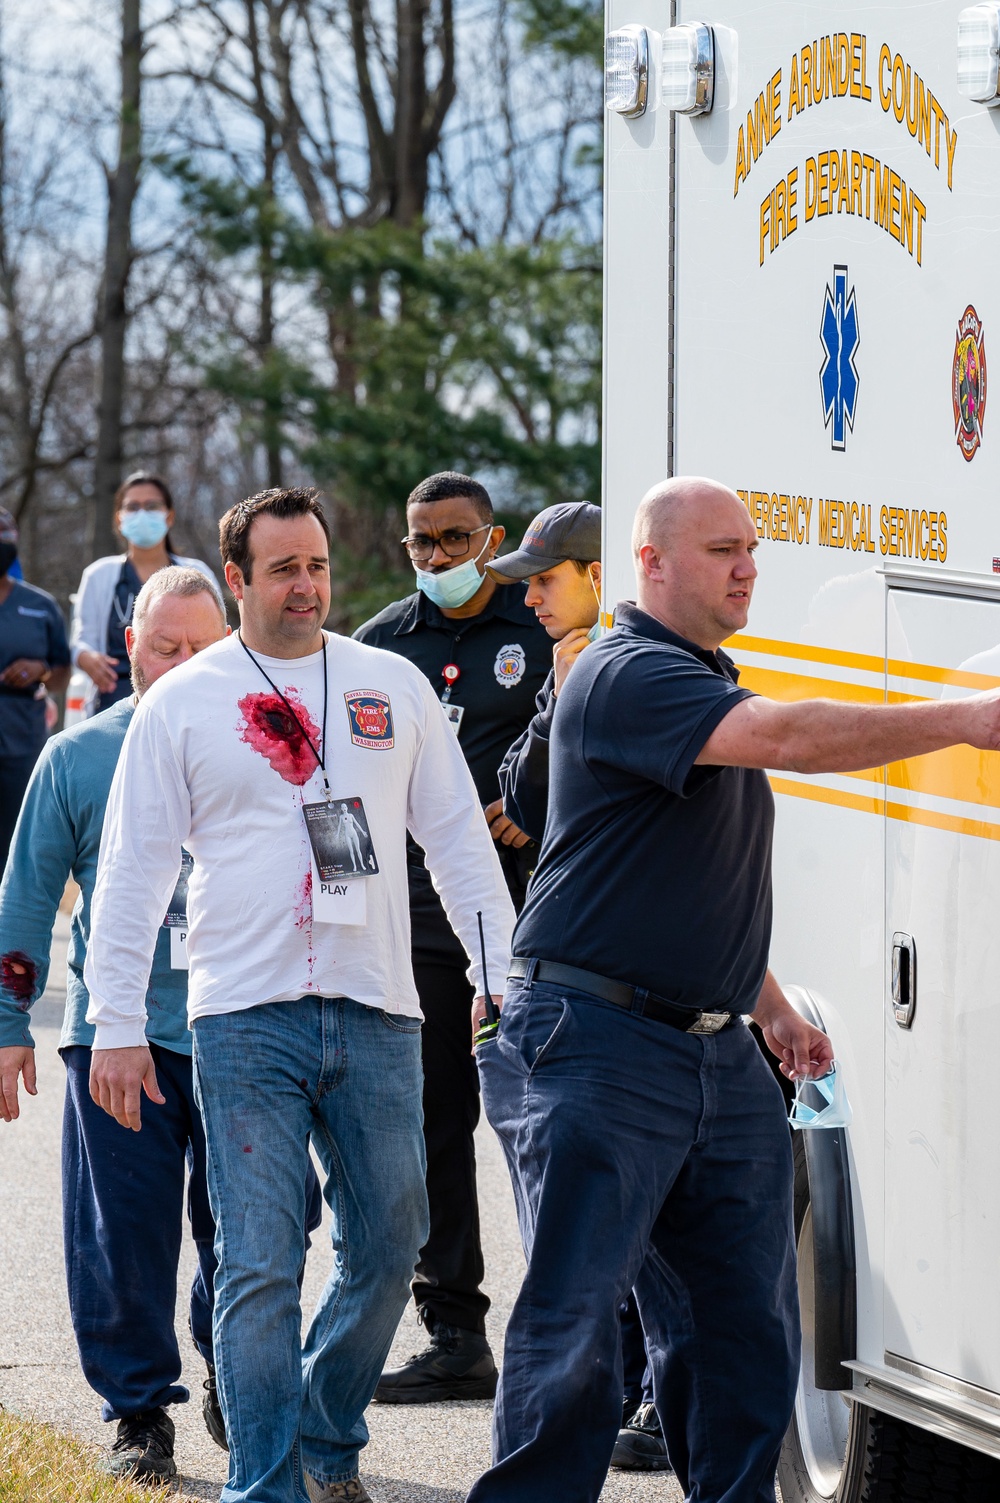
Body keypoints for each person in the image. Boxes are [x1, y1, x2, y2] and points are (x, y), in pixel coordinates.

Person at [467, 476, 1000, 1503]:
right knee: (574, 1343)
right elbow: (789, 739)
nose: (748, 564)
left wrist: (764, 1006)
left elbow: (667, 880)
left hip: (711, 1052)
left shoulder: (700, 675)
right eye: (721, 549)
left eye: (750, 546)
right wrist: (973, 717)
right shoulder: (625, 671)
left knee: (742, 1346)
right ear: (651, 566)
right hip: (595, 1045)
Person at [84, 486, 514, 1503]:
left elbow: (455, 839)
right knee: (260, 1261)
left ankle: (324, 1424)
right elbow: (134, 871)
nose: (308, 585)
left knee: (391, 1241)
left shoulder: (389, 685)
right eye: (284, 569)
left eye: (318, 565)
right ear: (236, 580)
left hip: (375, 1007)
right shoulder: (182, 704)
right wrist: (112, 1027)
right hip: (243, 1014)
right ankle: (266, 1485)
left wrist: (501, 979)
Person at [0, 568, 231, 1482]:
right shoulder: (80, 757)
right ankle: (139, 1410)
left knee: (258, 1224)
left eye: (201, 649)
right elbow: (23, 899)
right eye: (162, 646)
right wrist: (8, 1016)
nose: (180, 665)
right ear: (127, 646)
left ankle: (236, 1365)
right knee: (121, 1235)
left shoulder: (271, 745)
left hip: (245, 1031)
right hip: (119, 1038)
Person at [354, 471, 550, 1403]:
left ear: (493, 536)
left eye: (454, 538)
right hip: (424, 928)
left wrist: (532, 806)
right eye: (420, 542)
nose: (435, 557)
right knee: (436, 1123)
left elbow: (581, 745)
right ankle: (456, 1330)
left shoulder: (540, 628)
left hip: (543, 920)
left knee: (550, 1126)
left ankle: (577, 1337)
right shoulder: (382, 646)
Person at [490, 499, 669, 1473]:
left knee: (633, 1214)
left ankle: (647, 1398)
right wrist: (557, 700)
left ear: (601, 577)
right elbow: (523, 798)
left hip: (633, 982)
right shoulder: (564, 671)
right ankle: (627, 1397)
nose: (528, 593)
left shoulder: (640, 670)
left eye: (544, 578)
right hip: (568, 986)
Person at [71, 471, 219, 714]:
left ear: (169, 516)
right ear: (119, 519)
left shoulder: (197, 572)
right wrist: (86, 657)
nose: (142, 514)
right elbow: (81, 641)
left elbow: (213, 640)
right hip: (113, 703)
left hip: (186, 699)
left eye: (151, 506)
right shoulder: (98, 576)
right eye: (133, 507)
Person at [0, 506, 71, 868]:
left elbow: (62, 673)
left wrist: (40, 669)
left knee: (16, 844)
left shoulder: (40, 606)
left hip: (22, 740)